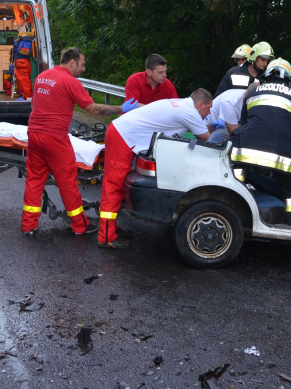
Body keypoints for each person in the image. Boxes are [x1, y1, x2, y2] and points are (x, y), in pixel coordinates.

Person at [22, 47, 137, 237]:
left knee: (34, 180)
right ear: (72, 62)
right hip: (55, 138)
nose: (83, 69)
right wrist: (121, 107)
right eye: (82, 65)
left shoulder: (42, 77)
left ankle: (28, 226)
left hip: (34, 134)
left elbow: (37, 105)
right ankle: (79, 225)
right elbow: (93, 109)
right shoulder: (69, 81)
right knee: (67, 182)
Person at [98, 89, 213, 248]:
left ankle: (112, 229)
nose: (208, 113)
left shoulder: (182, 104)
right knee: (114, 185)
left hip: (123, 133)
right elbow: (208, 138)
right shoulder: (189, 112)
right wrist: (216, 127)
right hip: (123, 136)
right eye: (208, 109)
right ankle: (106, 237)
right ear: (200, 105)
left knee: (118, 185)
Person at [231, 59, 291, 226]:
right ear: (289, 78)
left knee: (236, 179)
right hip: (284, 155)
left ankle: (234, 210)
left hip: (245, 151)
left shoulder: (253, 92)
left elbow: (243, 122)